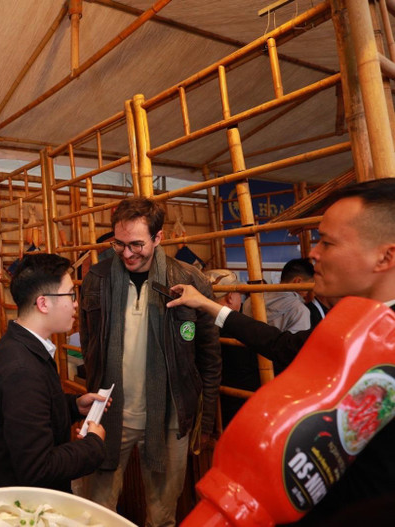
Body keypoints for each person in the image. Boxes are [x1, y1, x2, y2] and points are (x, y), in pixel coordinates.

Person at [167, 178, 395, 525]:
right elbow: (280, 345)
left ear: (386, 256)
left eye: (327, 242)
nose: (313, 253)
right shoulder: (348, 326)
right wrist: (208, 307)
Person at [78, 197, 221, 527]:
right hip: (111, 412)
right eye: (120, 244)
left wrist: (207, 419)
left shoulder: (189, 279)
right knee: (95, 513)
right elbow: (89, 344)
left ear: (158, 238)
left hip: (171, 416)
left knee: (162, 515)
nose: (127, 253)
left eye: (137, 244)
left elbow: (209, 357)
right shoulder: (97, 279)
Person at [0, 252, 108, 493]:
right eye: (70, 295)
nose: (76, 304)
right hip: (16, 503)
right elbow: (38, 468)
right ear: (43, 303)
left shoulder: (21, 343)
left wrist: (74, 406)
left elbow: (30, 412)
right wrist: (93, 444)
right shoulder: (21, 369)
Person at [204, 269, 259, 427]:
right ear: (230, 297)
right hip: (240, 411)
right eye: (238, 294)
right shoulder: (240, 329)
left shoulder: (196, 323)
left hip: (207, 411)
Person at [241, 257, 311, 334]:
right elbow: (297, 344)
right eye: (310, 285)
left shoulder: (249, 301)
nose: (309, 291)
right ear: (298, 281)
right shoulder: (300, 310)